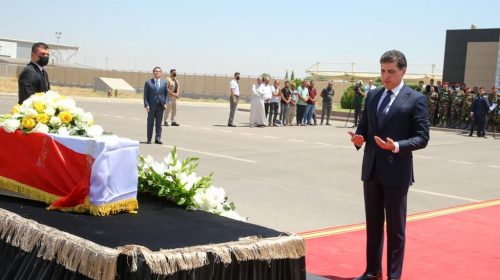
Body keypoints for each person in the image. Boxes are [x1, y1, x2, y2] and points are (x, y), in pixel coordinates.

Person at [348, 50, 429, 280]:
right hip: (372, 169)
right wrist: (358, 138)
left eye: (391, 71)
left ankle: (394, 276)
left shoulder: (416, 99)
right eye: (382, 71)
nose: (385, 76)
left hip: (396, 171)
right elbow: (364, 126)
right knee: (373, 226)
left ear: (403, 70)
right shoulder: (372, 96)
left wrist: (396, 146)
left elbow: (422, 138)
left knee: (395, 229)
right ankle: (372, 271)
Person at [144, 67, 168, 144]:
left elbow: (166, 95)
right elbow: (145, 95)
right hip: (151, 107)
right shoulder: (148, 82)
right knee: (150, 123)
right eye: (156, 71)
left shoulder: (164, 83)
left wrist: (165, 103)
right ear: (153, 72)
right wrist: (146, 105)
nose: (157, 72)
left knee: (159, 123)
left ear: (161, 73)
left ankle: (158, 138)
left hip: (160, 106)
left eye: (159, 71)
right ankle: (149, 139)